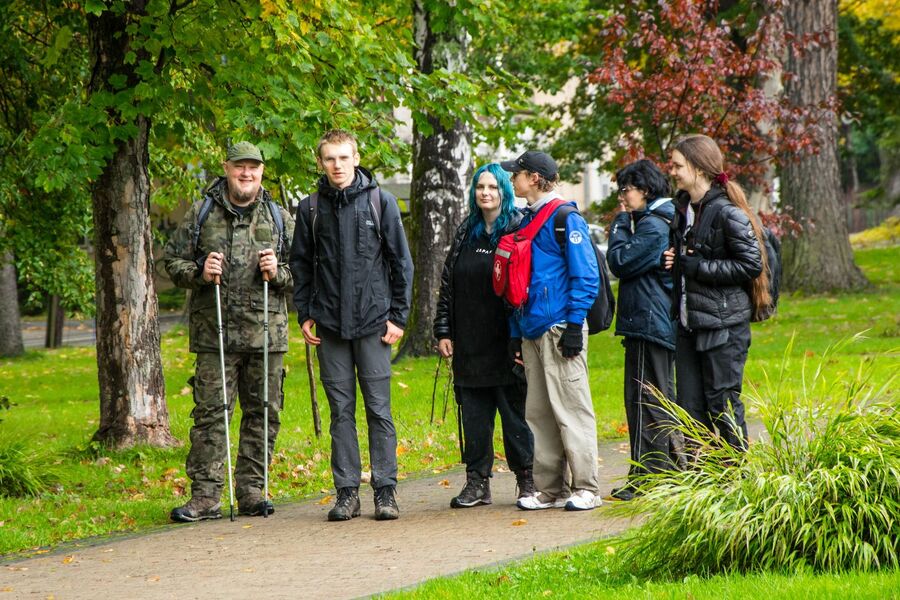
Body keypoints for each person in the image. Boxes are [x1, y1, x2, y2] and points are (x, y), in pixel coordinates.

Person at [165, 141, 294, 521]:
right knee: (210, 415)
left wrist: (278, 272)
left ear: (262, 172)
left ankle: (253, 490)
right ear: (226, 168)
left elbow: (303, 272)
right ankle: (205, 497)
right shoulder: (202, 213)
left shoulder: (278, 217)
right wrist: (200, 272)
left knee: (264, 413)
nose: (246, 174)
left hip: (266, 334)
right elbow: (172, 261)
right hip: (214, 334)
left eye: (253, 167)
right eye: (240, 166)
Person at [290, 129, 413, 521]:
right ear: (321, 163)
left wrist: (399, 317)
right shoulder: (309, 209)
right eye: (330, 159)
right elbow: (301, 265)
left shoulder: (382, 202)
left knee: (379, 410)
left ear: (356, 158)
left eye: (344, 158)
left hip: (375, 324)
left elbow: (401, 263)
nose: (337, 165)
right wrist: (305, 312)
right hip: (328, 326)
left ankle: (385, 492)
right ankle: (346, 493)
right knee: (340, 412)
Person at [500, 150, 602, 512]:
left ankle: (587, 486)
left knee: (571, 410)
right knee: (540, 413)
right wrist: (517, 330)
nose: (513, 180)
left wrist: (575, 325)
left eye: (519, 174)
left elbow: (585, 276)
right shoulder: (528, 219)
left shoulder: (564, 218)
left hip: (560, 326)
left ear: (536, 179)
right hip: (532, 328)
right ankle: (550, 489)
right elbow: (520, 281)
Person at [433, 163, 535, 508]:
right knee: (475, 418)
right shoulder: (466, 231)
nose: (485, 193)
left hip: (506, 341)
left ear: (504, 192)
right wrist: (443, 329)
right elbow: (447, 283)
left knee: (514, 416)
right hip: (470, 343)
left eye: (492, 187)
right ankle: (477, 482)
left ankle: (527, 479)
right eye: (480, 187)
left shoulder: (517, 228)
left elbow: (526, 285)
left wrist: (521, 338)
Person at [662, 134, 768, 452]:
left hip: (724, 327)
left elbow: (750, 264)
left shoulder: (726, 213)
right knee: (690, 410)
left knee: (722, 405)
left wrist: (698, 267)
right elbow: (689, 259)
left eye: (678, 165)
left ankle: (733, 481)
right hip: (689, 323)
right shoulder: (683, 211)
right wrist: (676, 262)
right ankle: (703, 485)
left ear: (699, 168)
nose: (673, 171)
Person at [606, 159, 681, 501]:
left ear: (645, 189)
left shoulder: (653, 225)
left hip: (650, 323)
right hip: (650, 321)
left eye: (625, 190)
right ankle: (666, 471)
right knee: (654, 397)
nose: (622, 197)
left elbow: (620, 262)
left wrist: (621, 223)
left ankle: (648, 477)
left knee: (645, 400)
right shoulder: (659, 220)